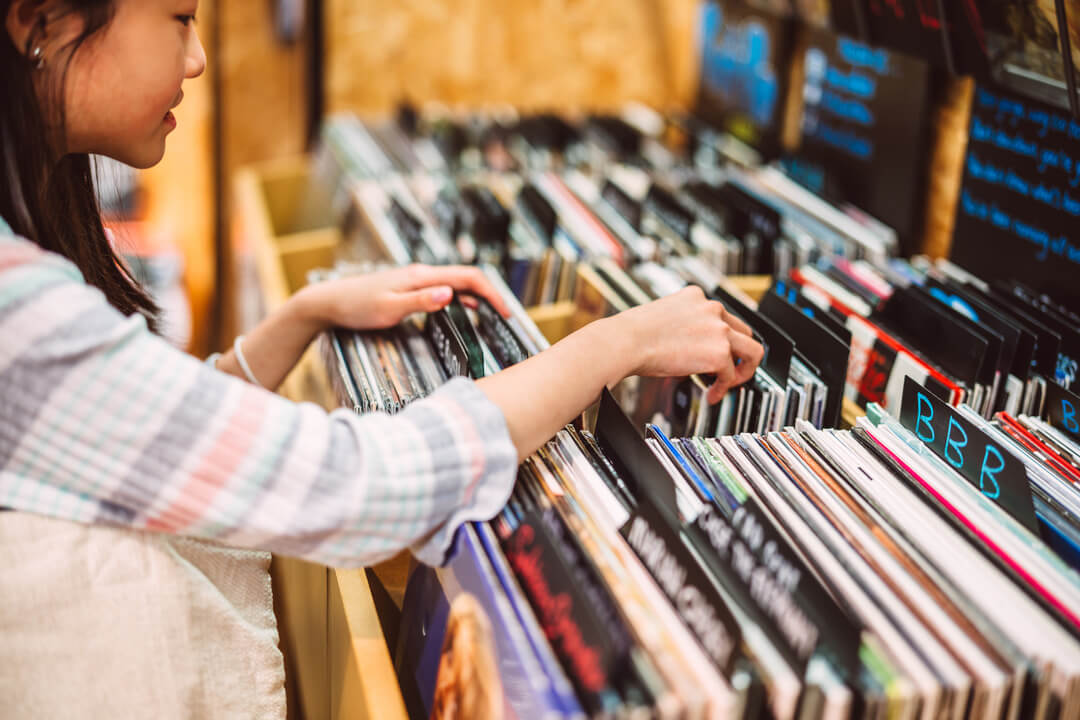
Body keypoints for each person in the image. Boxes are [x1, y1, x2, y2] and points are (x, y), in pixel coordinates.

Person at [0, 0, 764, 717]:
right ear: (41, 22)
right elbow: (358, 487)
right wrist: (616, 343)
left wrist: (302, 315)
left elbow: (133, 438)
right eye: (178, 17)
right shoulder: (18, 313)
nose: (198, 59)